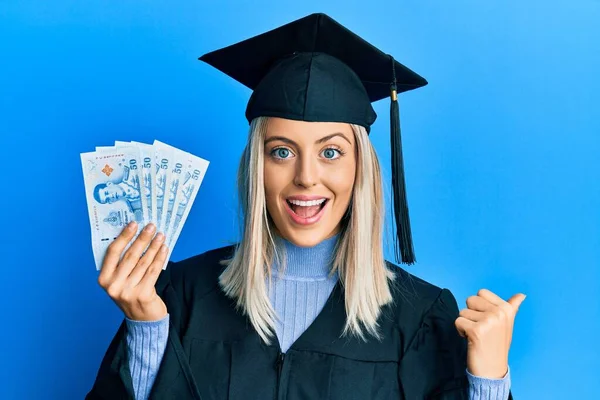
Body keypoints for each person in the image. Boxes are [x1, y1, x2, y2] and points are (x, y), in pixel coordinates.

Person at [86, 13, 523, 400]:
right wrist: (145, 327)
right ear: (257, 166)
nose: (306, 177)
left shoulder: (420, 319)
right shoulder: (179, 296)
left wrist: (488, 380)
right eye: (282, 151)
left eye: (331, 152)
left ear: (360, 169)